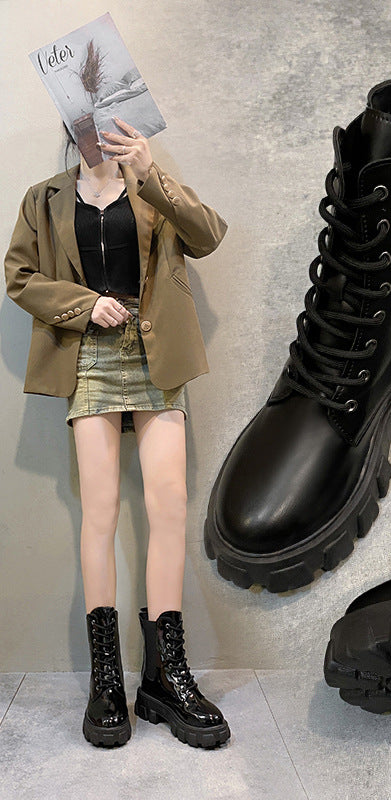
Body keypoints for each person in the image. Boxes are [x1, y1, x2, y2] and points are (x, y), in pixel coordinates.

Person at [4, 116, 231, 749]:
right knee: (98, 511)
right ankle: (107, 678)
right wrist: (83, 304)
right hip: (90, 357)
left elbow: (208, 234)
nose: (94, 134)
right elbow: (19, 276)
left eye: (104, 121)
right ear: (69, 126)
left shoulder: (149, 184)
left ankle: (165, 676)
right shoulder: (44, 198)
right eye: (81, 122)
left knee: (170, 504)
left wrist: (150, 172)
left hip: (155, 353)